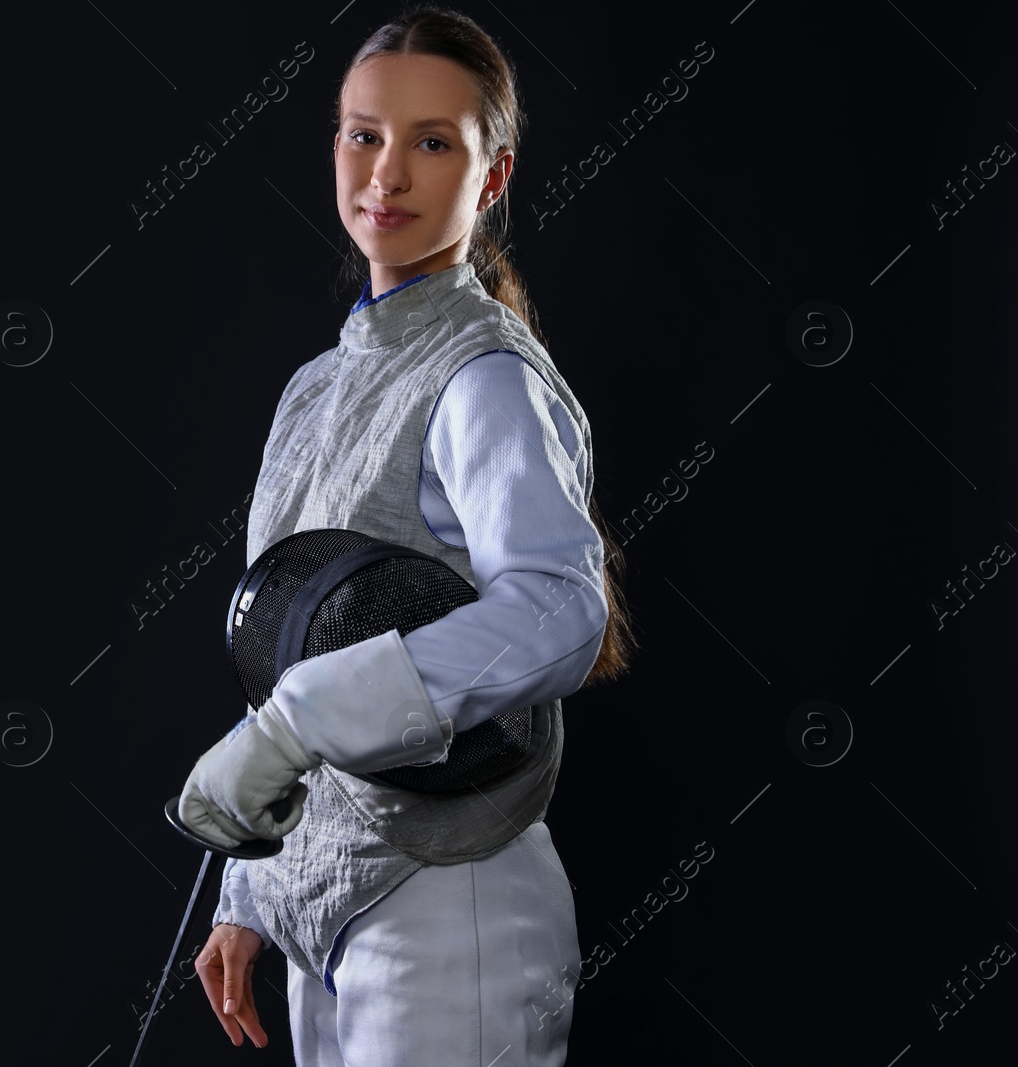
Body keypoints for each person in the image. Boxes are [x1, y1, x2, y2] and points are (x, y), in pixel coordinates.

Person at [176, 6, 637, 1065]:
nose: (386, 173)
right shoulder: (316, 387)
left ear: (491, 177)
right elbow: (286, 644)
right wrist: (253, 882)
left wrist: (293, 725)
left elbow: (562, 608)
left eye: (433, 142)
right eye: (362, 134)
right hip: (324, 915)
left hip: (450, 901)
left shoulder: (486, 374)